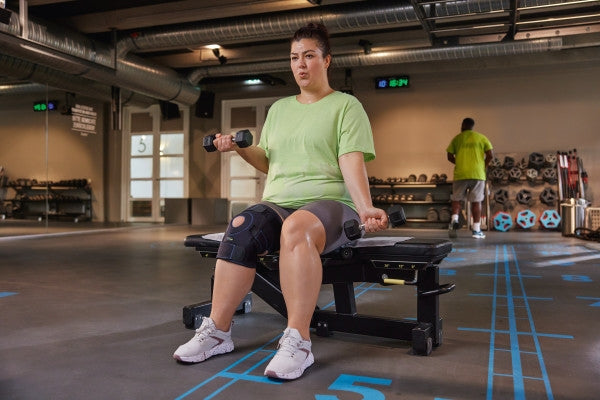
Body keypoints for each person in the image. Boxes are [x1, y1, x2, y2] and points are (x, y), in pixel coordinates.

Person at [173, 22, 388, 380]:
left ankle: (298, 341)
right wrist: (239, 147)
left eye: (309, 56)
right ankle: (217, 331)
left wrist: (365, 208)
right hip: (280, 201)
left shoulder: (346, 106)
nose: (300, 64)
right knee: (242, 226)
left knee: (296, 227)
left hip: (331, 204)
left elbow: (350, 160)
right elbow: (268, 160)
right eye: (294, 57)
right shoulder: (280, 109)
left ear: (326, 60)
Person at [446, 117, 493, 239]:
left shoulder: (457, 139)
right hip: (477, 173)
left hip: (460, 173)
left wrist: (459, 163)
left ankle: (454, 219)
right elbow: (490, 154)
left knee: (456, 199)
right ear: (472, 126)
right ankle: (476, 230)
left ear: (463, 125)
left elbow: (449, 156)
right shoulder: (481, 137)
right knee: (476, 201)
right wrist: (483, 165)